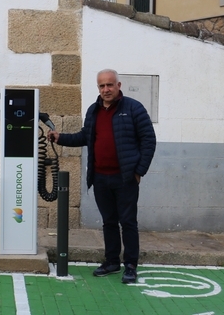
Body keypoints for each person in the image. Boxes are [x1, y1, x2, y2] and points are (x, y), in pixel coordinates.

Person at [47, 69, 156, 284]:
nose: (106, 89)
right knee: (109, 222)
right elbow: (84, 136)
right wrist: (60, 137)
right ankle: (112, 261)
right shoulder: (93, 111)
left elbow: (149, 140)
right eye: (101, 86)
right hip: (100, 178)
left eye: (110, 85)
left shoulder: (134, 108)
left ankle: (131, 265)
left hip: (125, 178)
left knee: (128, 222)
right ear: (98, 88)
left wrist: (138, 171)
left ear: (118, 85)